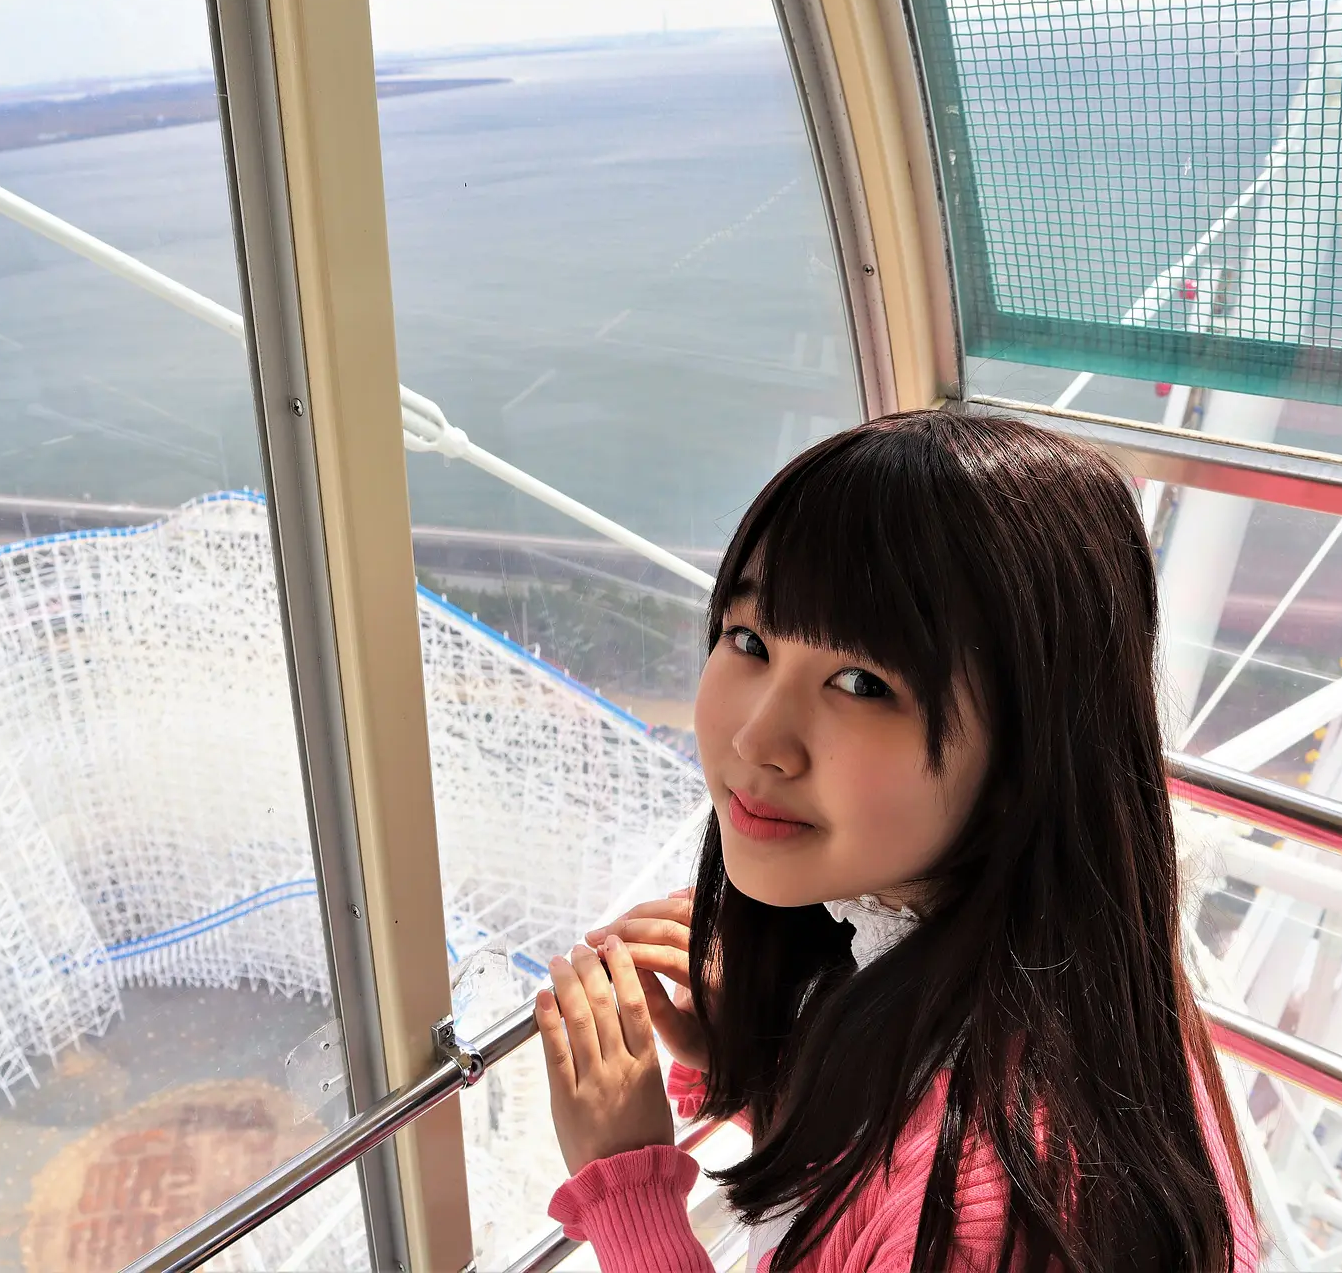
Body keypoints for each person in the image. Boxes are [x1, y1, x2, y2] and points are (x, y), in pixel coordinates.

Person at [534, 411, 1260, 1271]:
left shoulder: (996, 1216)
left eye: (861, 683)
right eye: (749, 640)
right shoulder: (1074, 997)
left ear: (1031, 750)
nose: (758, 740)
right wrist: (771, 1062)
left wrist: (628, 1195)